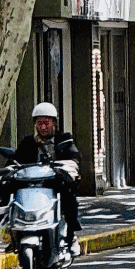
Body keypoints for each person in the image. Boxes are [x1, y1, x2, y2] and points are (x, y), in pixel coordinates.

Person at [13, 101, 82, 254]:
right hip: (31, 187)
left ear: (54, 124)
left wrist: (68, 168)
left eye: (46, 123)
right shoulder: (28, 142)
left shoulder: (64, 139)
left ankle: (70, 237)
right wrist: (9, 169)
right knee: (5, 191)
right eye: (39, 123)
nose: (43, 127)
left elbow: (74, 157)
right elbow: (15, 160)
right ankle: (10, 232)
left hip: (55, 185)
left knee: (69, 198)